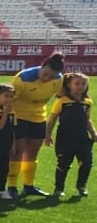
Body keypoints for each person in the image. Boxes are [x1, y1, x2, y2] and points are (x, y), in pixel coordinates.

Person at [9, 51, 65, 198]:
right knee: (17, 150)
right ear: (43, 65)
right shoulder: (22, 78)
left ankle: (28, 185)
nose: (47, 79)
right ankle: (12, 186)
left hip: (39, 117)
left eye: (52, 76)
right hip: (19, 116)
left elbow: (62, 95)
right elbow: (8, 99)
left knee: (33, 152)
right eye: (46, 74)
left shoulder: (58, 80)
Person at [49, 72, 94, 198]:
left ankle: (81, 186)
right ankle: (59, 188)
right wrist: (47, 136)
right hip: (65, 139)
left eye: (83, 84)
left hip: (82, 139)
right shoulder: (62, 101)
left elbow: (87, 120)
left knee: (87, 163)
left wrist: (94, 134)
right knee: (63, 164)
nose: (80, 86)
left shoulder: (88, 102)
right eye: (77, 83)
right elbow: (52, 119)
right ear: (69, 85)